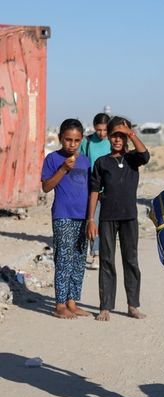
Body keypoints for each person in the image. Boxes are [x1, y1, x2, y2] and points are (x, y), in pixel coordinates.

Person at [87, 116, 149, 322]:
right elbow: (94, 191)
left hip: (129, 217)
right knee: (106, 260)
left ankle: (133, 305)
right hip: (107, 217)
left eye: (121, 136)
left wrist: (131, 133)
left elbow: (145, 155)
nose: (117, 140)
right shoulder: (102, 162)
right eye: (114, 135)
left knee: (131, 260)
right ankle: (105, 306)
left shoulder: (133, 159)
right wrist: (90, 219)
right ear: (109, 137)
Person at [41, 119, 92, 319]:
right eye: (68, 139)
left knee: (79, 259)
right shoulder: (53, 159)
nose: (72, 144)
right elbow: (46, 187)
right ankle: (60, 304)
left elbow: (90, 190)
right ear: (61, 138)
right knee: (63, 258)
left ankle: (72, 302)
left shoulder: (86, 161)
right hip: (63, 215)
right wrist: (63, 169)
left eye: (76, 140)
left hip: (83, 216)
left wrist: (91, 218)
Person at [81, 113, 111, 270]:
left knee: (107, 223)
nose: (102, 133)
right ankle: (96, 254)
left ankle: (105, 252)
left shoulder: (113, 142)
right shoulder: (87, 142)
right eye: (99, 130)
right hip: (93, 189)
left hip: (111, 189)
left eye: (105, 130)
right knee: (95, 220)